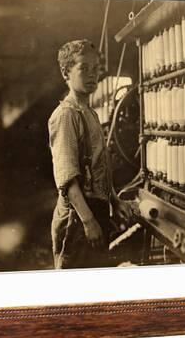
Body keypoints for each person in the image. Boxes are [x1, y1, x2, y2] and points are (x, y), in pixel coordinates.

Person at [48, 39, 131, 269]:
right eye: (84, 68)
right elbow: (67, 178)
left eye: (95, 69)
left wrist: (114, 200)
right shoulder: (66, 115)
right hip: (77, 215)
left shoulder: (90, 114)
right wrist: (89, 221)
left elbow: (98, 166)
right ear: (66, 72)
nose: (92, 74)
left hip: (96, 209)